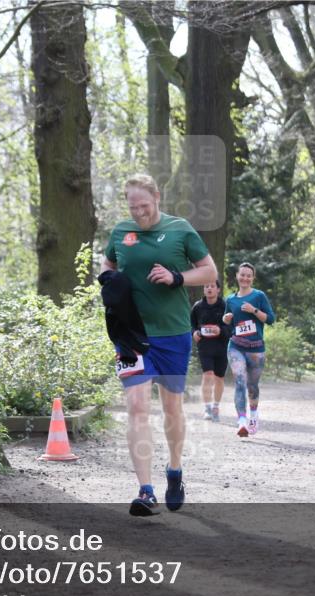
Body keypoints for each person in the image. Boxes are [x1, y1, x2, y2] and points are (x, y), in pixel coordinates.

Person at [102, 174, 218, 516]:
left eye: (145, 205)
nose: (139, 213)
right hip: (131, 334)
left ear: (157, 197)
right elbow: (109, 264)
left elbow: (209, 272)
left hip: (173, 333)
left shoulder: (180, 230)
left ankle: (175, 469)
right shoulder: (122, 233)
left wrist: (176, 278)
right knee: (137, 407)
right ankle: (145, 490)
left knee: (171, 409)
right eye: (133, 207)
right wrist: (109, 281)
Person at [222, 262, 275, 437]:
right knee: (239, 381)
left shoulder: (259, 296)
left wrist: (254, 310)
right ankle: (241, 421)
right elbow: (228, 322)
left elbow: (270, 319)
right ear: (237, 276)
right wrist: (226, 319)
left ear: (252, 278)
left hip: (256, 348)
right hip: (236, 346)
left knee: (252, 385)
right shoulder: (230, 299)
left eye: (248, 275)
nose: (245, 278)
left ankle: (253, 414)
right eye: (242, 274)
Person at [191, 280, 230, 422]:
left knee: (219, 378)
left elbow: (232, 328)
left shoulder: (225, 306)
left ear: (218, 290)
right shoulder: (197, 307)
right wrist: (194, 333)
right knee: (207, 375)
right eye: (206, 286)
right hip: (205, 346)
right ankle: (207, 408)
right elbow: (193, 325)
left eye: (212, 286)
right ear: (204, 289)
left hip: (221, 346)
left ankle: (216, 406)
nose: (209, 289)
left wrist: (221, 330)